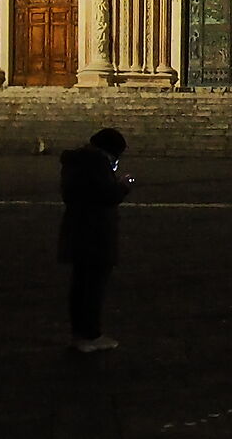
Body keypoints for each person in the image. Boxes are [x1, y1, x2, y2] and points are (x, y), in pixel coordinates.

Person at [58, 127, 131, 354]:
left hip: (78, 229)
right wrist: (123, 185)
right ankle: (90, 334)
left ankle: (79, 333)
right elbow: (107, 195)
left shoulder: (75, 162)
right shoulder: (96, 164)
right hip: (96, 232)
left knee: (81, 284)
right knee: (93, 287)